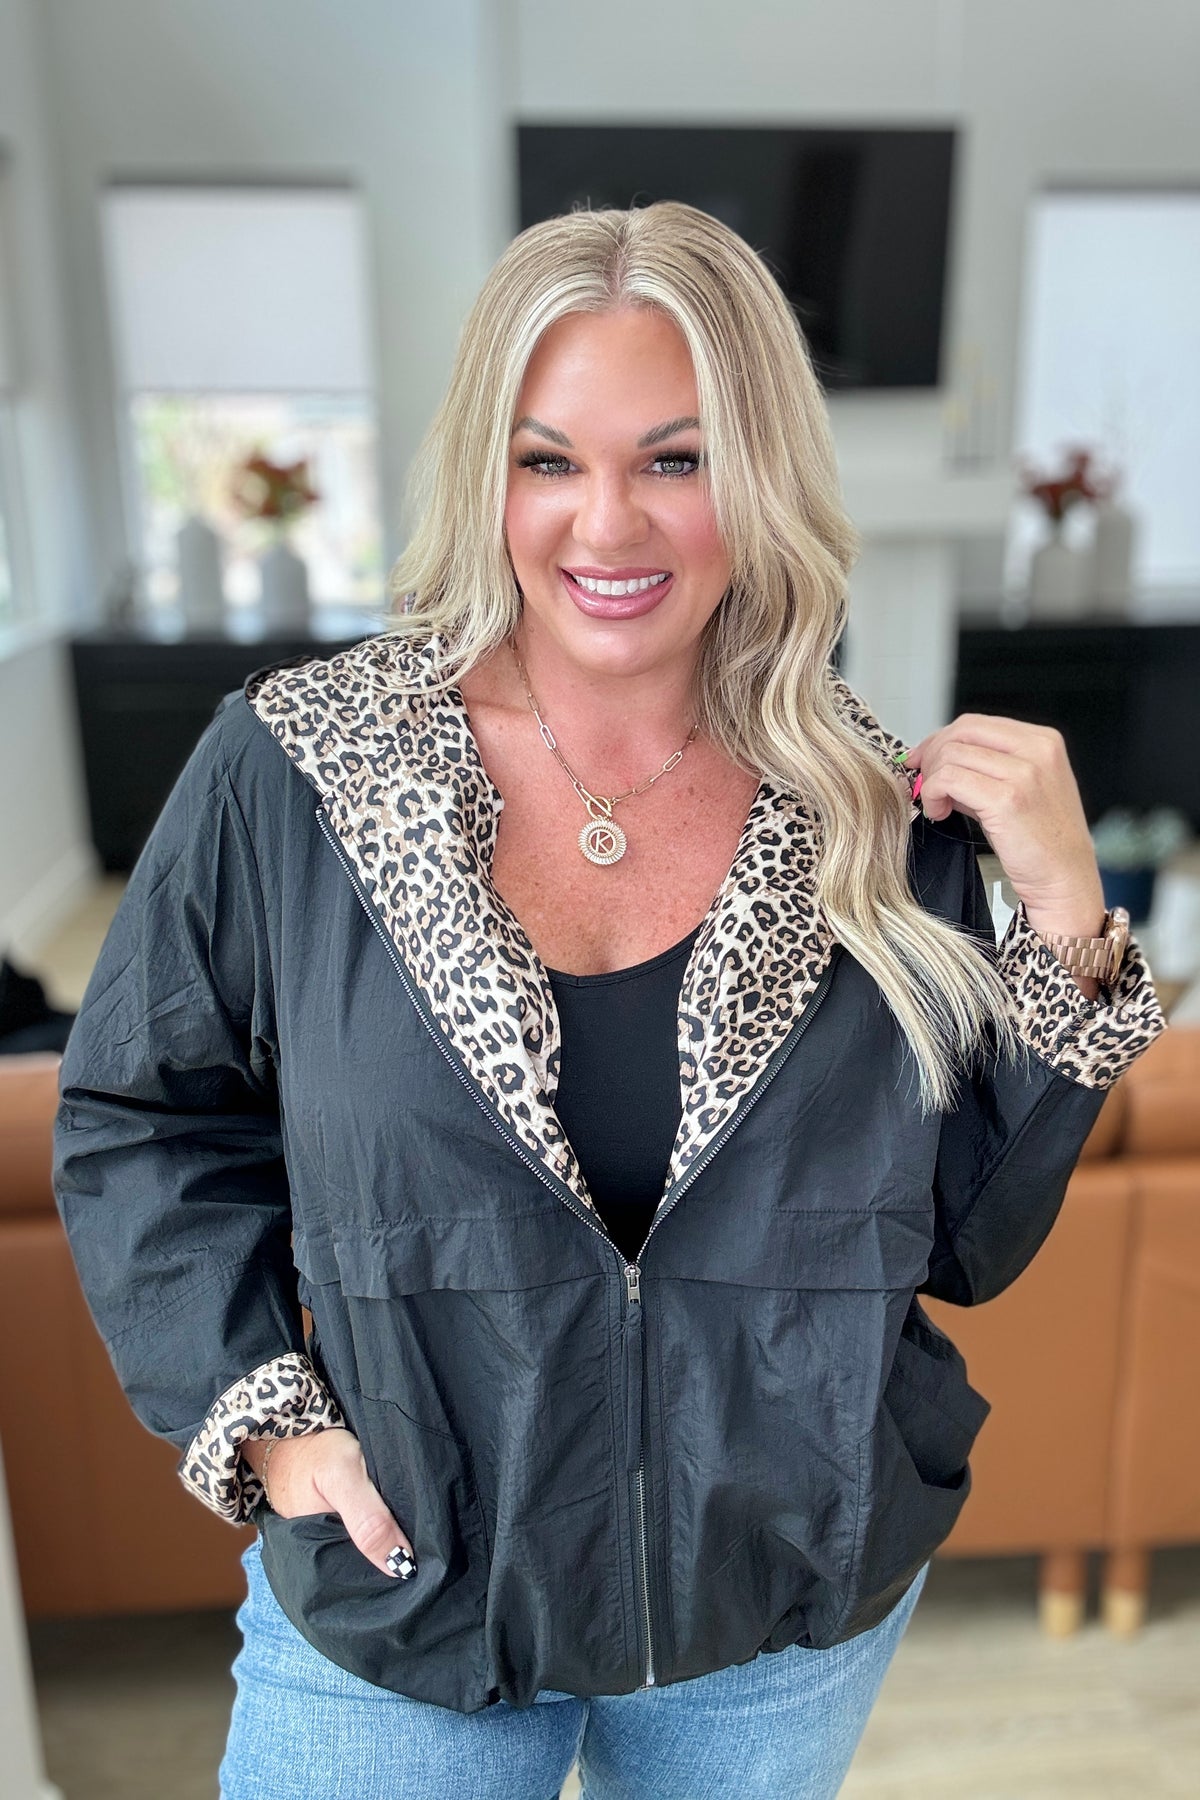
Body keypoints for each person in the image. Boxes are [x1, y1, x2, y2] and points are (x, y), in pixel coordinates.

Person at [53, 201, 1167, 1800]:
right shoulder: (298, 772)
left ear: (759, 474)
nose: (607, 523)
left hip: (779, 1610)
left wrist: (1062, 916)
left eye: (676, 458)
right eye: (548, 459)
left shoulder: (873, 812)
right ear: (486, 474)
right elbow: (139, 1116)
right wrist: (267, 1422)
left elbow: (964, 1241)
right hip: (414, 1597)